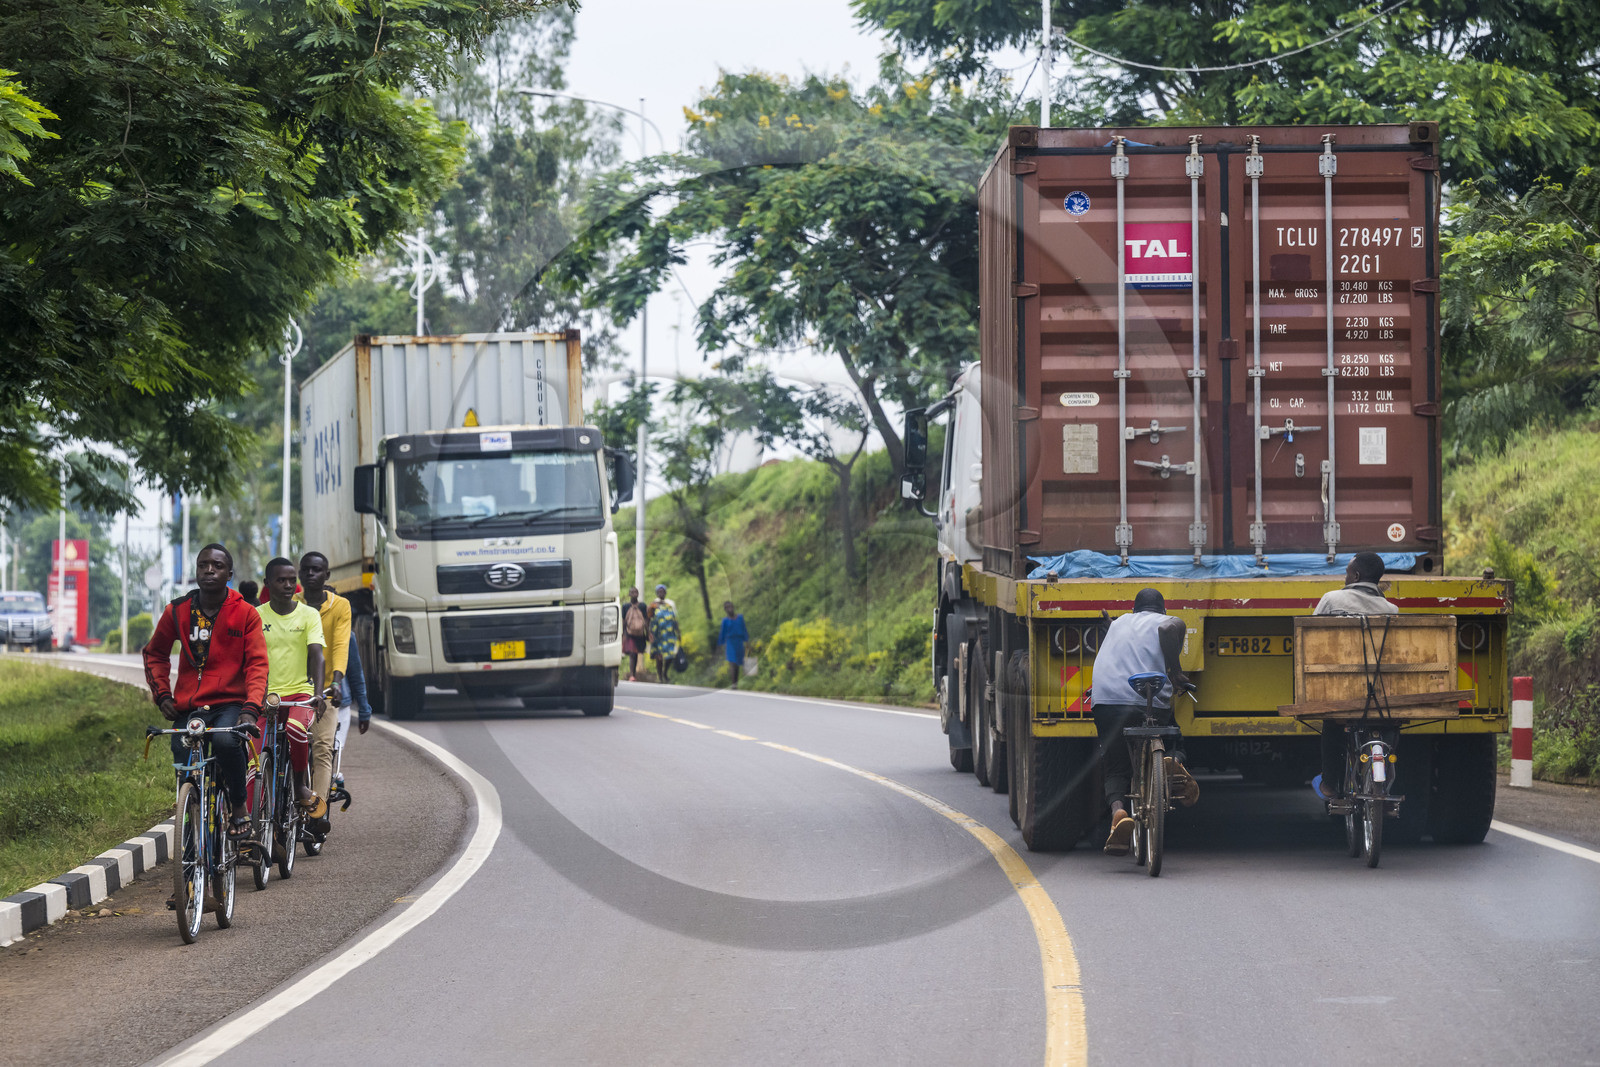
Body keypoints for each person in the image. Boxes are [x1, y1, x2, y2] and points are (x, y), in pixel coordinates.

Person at [143, 544, 269, 843]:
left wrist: (251, 707)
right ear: (196, 571)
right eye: (203, 565)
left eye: (217, 565)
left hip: (230, 703)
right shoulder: (177, 610)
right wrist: (162, 694)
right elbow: (155, 653)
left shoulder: (246, 614)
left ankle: (238, 807)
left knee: (227, 742)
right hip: (189, 705)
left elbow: (257, 664)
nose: (209, 570)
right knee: (183, 756)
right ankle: (191, 827)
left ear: (229, 574)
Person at [1091, 588, 1200, 856]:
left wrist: (1110, 625)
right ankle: (1171, 761)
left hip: (1105, 702)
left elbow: (1115, 628)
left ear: (1135, 609)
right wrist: (1175, 673)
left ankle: (1119, 813)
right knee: (1171, 734)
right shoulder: (1169, 621)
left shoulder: (1120, 623)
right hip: (1145, 700)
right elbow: (1167, 631)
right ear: (1162, 609)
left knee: (1115, 763)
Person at [1311, 552, 1399, 801]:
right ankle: (1388, 765)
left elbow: (1311, 641)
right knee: (1391, 721)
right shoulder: (1391, 608)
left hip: (1343, 687)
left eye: (1347, 572)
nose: (1345, 577)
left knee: (1332, 723)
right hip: (1380, 692)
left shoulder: (1331, 599)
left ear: (1356, 576)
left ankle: (1330, 784)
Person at [258, 557, 327, 811]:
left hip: (300, 694)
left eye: (291, 580)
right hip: (265, 698)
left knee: (296, 729)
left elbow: (317, 655)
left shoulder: (309, 615)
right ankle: (256, 821)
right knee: (254, 760)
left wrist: (318, 694)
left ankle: (299, 785)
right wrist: (259, 694)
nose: (288, 585)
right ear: (267, 583)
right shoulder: (255, 616)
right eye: (281, 580)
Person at [296, 551, 350, 835]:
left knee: (321, 749)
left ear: (327, 575)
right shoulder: (290, 605)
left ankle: (318, 810)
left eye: (317, 570)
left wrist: (337, 682)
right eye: (306, 570)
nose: (311, 575)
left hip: (326, 691)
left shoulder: (341, 606)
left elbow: (340, 646)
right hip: (292, 690)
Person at [649, 584, 680, 684]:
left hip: (669, 633)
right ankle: (660, 676)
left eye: (663, 591)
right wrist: (649, 633)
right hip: (658, 634)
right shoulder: (653, 604)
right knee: (659, 656)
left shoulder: (670, 604)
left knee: (670, 655)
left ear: (666, 592)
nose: (661, 593)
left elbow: (675, 619)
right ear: (657, 593)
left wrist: (678, 632)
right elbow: (648, 618)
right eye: (659, 591)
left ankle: (665, 672)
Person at [716, 601, 749, 689]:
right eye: (727, 607)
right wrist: (720, 645)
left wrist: (747, 642)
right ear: (725, 610)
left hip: (739, 642)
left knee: (738, 663)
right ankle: (733, 684)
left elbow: (744, 630)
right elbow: (722, 634)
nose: (729, 609)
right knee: (732, 662)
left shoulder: (740, 618)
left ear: (733, 607)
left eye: (730, 606)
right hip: (730, 642)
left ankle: (736, 683)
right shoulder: (725, 621)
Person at [621, 587, 650, 682]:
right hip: (629, 633)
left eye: (636, 592)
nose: (634, 594)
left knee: (636, 653)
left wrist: (648, 633)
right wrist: (623, 634)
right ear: (629, 594)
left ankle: (633, 674)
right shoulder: (625, 606)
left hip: (640, 633)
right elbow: (623, 621)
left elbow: (646, 620)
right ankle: (632, 675)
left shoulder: (642, 606)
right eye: (632, 592)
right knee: (632, 653)